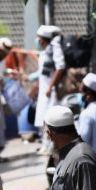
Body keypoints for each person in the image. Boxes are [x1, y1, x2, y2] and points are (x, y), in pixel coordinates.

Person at [34, 25, 66, 153]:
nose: (38, 41)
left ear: (43, 39)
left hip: (51, 92)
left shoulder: (54, 48)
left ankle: (52, 146)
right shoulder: (45, 51)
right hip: (44, 90)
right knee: (44, 118)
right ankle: (46, 145)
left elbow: (60, 67)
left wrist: (51, 86)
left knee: (51, 119)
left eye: (39, 38)